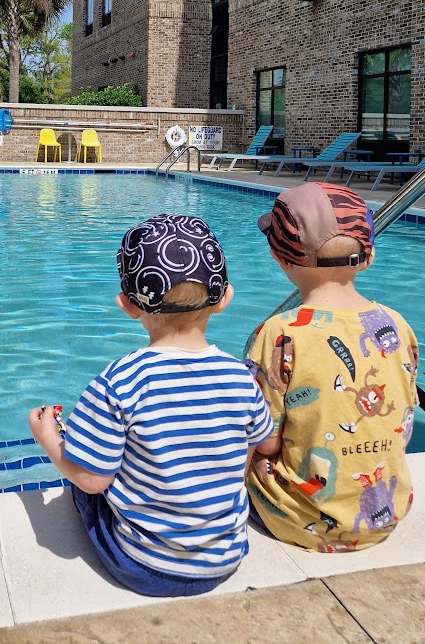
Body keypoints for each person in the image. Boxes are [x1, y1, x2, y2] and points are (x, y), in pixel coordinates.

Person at [28, 214, 277, 597]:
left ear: (127, 305)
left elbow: (94, 481)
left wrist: (49, 440)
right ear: (225, 298)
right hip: (226, 558)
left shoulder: (119, 381)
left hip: (143, 565)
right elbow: (262, 445)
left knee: (81, 482)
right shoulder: (241, 377)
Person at [245, 182, 419, 553]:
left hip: (305, 522)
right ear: (368, 257)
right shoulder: (396, 325)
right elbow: (402, 426)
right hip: (387, 513)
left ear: (281, 259)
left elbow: (266, 439)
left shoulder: (280, 334)